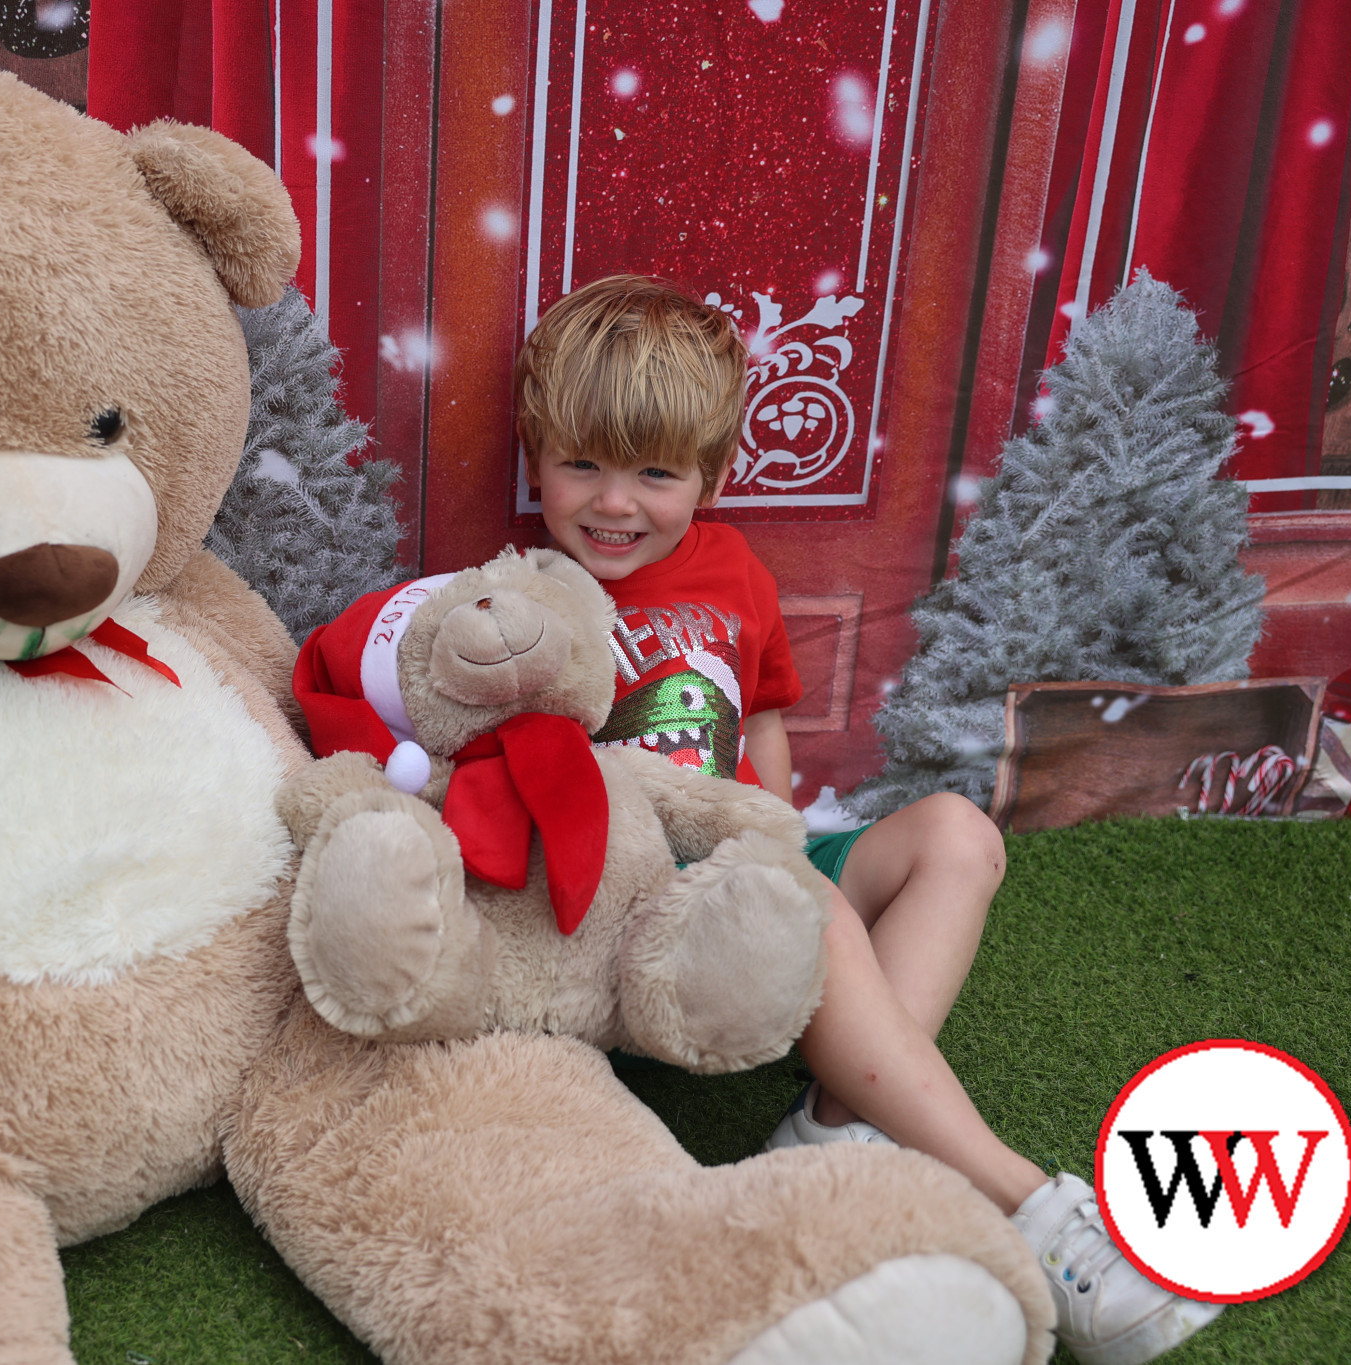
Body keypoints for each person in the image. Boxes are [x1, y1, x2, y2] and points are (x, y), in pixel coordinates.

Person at [511, 274, 1222, 1365]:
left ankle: (837, 1126)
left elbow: (756, 729)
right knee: (797, 901)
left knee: (954, 832)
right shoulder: (520, 595)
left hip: (748, 855)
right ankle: (1030, 1207)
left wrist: (779, 827)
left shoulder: (731, 571)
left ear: (709, 472)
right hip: (630, 909)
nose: (614, 503)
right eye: (582, 465)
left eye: (654, 473)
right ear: (535, 454)